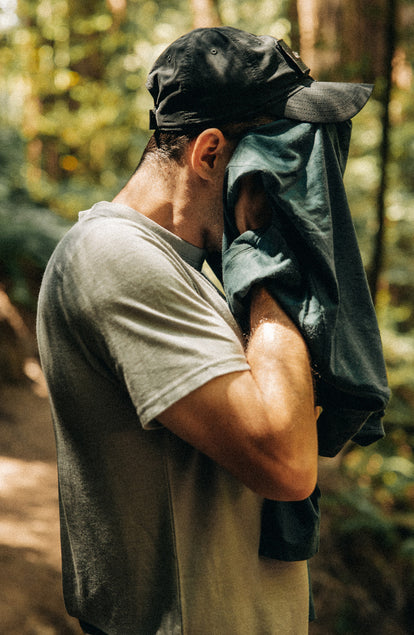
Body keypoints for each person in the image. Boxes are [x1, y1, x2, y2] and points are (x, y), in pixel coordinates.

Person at [37, 26, 376, 635]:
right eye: (282, 163)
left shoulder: (199, 268)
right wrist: (266, 254)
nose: (294, 190)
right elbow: (286, 462)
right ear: (212, 154)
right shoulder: (111, 256)